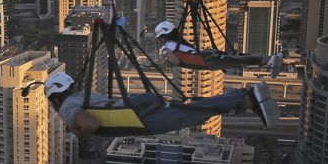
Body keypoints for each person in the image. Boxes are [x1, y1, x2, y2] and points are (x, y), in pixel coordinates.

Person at [44, 72, 280, 138]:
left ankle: (246, 100)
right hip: (137, 108)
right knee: (191, 110)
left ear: (55, 98)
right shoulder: (81, 95)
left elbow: (91, 124)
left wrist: (78, 131)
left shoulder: (66, 108)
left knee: (189, 115)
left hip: (138, 120)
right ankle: (244, 96)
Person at [154, 20, 283, 77]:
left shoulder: (167, 47)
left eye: (160, 37)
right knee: (237, 57)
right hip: (206, 55)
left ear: (165, 36)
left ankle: (270, 60)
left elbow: (176, 61)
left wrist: (166, 55)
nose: (160, 40)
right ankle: (269, 60)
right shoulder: (178, 42)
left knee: (238, 62)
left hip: (206, 61)